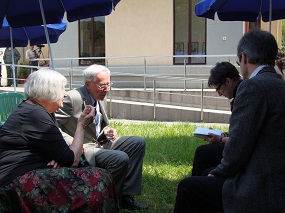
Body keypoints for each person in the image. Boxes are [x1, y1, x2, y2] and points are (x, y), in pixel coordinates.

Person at [174, 29, 285, 213]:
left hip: (260, 187)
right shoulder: (280, 84)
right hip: (276, 179)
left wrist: (216, 172)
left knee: (188, 187)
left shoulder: (253, 87)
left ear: (244, 57)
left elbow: (237, 148)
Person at [0, 69, 119, 212]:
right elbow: (71, 159)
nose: (65, 93)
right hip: (15, 183)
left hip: (31, 171)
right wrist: (81, 126)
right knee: (101, 178)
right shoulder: (35, 114)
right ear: (49, 91)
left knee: (93, 172)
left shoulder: (39, 111)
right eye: (62, 89)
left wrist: (60, 156)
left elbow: (65, 154)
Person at [56, 64, 148, 210]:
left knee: (137, 142)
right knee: (120, 158)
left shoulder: (99, 95)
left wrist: (106, 131)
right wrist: (72, 144)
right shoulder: (72, 98)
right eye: (102, 85)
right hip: (83, 148)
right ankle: (110, 200)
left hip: (99, 143)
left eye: (109, 84)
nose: (107, 89)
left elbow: (97, 124)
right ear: (87, 84)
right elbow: (52, 125)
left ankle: (125, 195)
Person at [192, 61, 242, 176]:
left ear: (228, 82)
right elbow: (240, 132)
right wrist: (223, 135)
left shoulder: (243, 96)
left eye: (218, 89)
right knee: (203, 153)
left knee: (202, 154)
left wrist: (219, 139)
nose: (219, 94)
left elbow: (240, 141)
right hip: (237, 148)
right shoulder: (240, 93)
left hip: (240, 153)